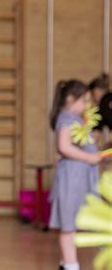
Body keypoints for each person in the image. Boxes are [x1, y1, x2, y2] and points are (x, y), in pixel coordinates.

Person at [49, 79, 102, 270]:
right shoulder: (67, 119)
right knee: (68, 227)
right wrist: (89, 158)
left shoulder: (76, 119)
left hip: (77, 179)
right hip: (71, 180)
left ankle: (66, 264)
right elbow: (63, 146)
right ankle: (71, 265)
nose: (87, 105)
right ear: (71, 99)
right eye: (84, 101)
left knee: (71, 225)